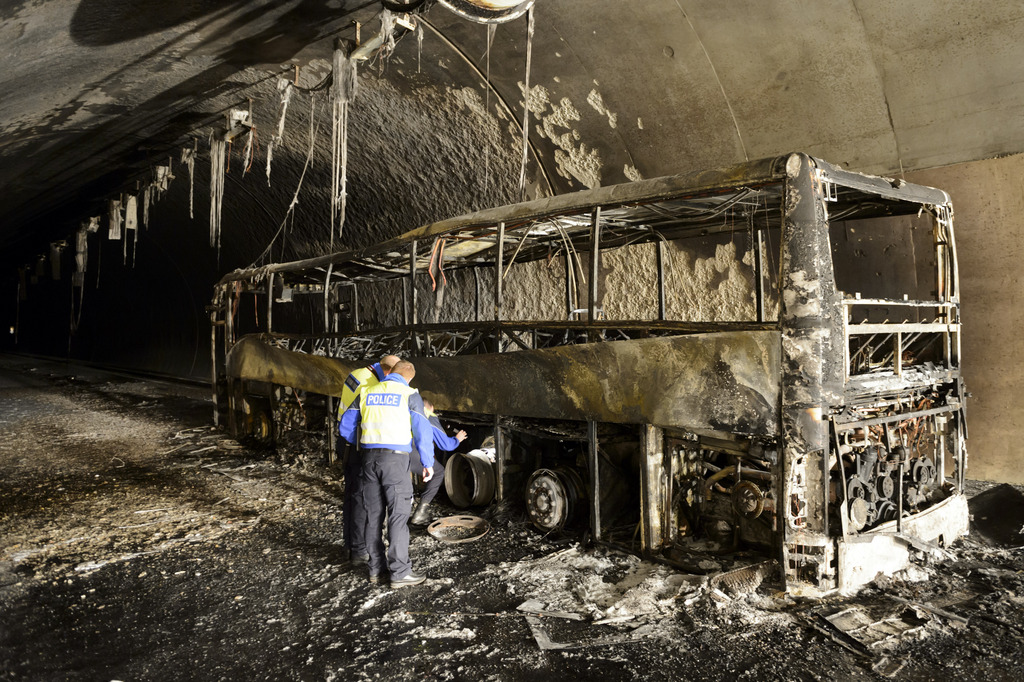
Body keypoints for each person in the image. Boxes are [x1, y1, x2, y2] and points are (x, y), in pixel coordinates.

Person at [339, 360, 434, 588]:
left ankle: (376, 570)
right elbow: (422, 430)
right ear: (408, 378)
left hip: (369, 460)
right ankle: (400, 572)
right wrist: (427, 462)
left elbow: (345, 427)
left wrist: (365, 443)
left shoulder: (367, 391)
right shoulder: (409, 394)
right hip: (395, 459)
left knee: (373, 516)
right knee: (398, 516)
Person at [337, 354, 401, 565]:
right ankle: (359, 551)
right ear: (389, 371)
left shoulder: (357, 374)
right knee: (362, 499)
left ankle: (349, 546)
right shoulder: (371, 385)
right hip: (357, 443)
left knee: (350, 496)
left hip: (345, 442)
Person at [410, 400, 467, 525]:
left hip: (392, 452)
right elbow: (445, 445)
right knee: (439, 472)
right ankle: (421, 512)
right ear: (432, 408)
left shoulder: (408, 411)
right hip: (410, 450)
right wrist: (457, 440)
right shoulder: (428, 415)